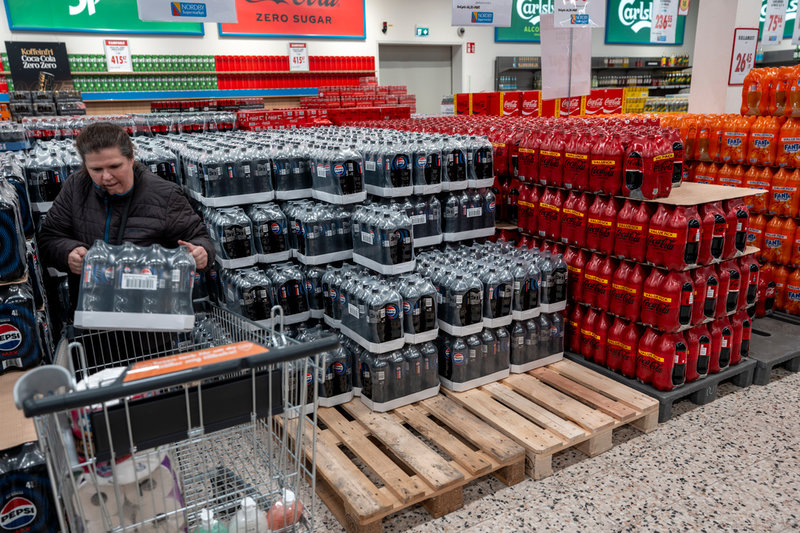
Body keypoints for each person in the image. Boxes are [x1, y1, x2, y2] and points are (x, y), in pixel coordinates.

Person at [38, 121, 215, 315]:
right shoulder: (75, 188)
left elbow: (200, 239)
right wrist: (67, 253)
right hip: (93, 318)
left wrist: (201, 253)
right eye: (96, 169)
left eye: (114, 166)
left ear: (131, 158)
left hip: (151, 320)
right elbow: (49, 239)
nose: (106, 177)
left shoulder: (165, 195)